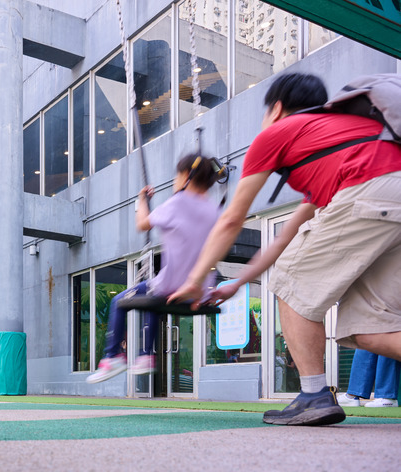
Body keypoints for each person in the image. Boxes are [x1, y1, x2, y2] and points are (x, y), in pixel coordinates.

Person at [169, 72, 401, 426]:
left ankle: (313, 395)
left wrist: (195, 278)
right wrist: (234, 284)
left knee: (292, 281)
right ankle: (314, 395)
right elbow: (283, 239)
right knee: (370, 326)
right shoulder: (341, 137)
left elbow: (231, 220)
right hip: (387, 194)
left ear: (276, 109)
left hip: (369, 191)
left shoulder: (278, 133)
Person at [86, 153, 222, 383]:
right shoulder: (213, 210)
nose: (175, 182)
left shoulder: (177, 203)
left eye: (176, 176)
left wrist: (141, 200)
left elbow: (142, 224)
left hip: (171, 285)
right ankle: (145, 356)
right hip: (200, 291)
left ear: (186, 176)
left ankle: (113, 356)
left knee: (120, 301)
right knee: (153, 295)